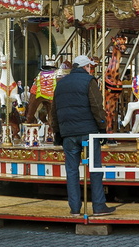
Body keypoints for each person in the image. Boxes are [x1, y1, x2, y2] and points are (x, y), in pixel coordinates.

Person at [49, 54, 115, 217]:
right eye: (90, 67)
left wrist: (57, 132)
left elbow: (54, 111)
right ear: (85, 67)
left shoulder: (60, 84)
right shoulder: (89, 81)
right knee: (94, 168)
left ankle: (75, 208)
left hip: (68, 134)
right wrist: (102, 129)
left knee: (71, 171)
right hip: (88, 132)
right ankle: (98, 206)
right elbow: (97, 107)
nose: (90, 69)